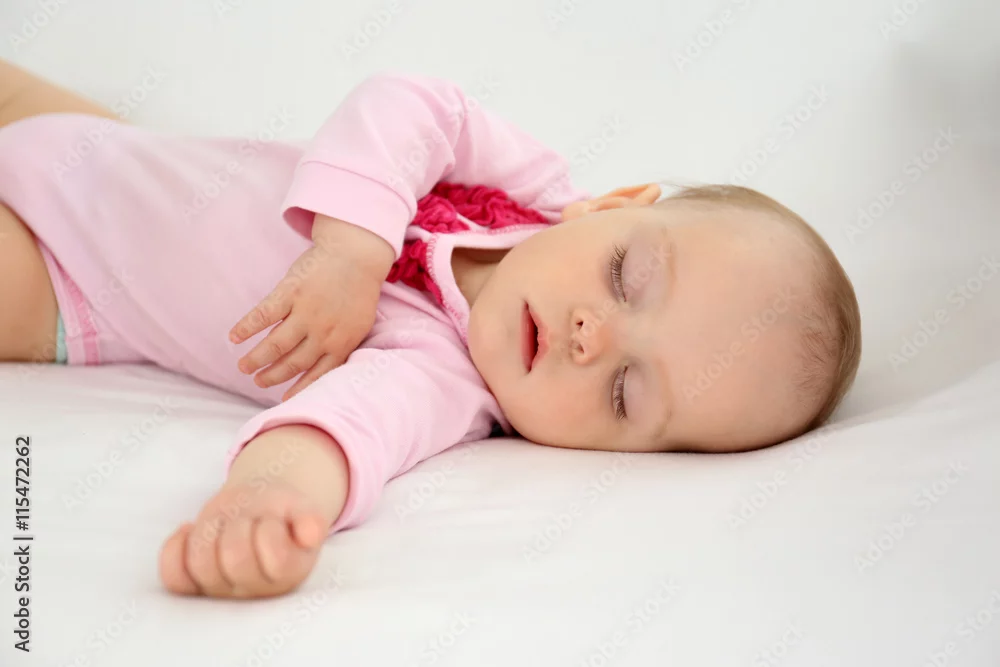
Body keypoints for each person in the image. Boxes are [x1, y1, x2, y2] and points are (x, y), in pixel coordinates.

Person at [0, 60, 861, 599]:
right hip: (109, 151)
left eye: (626, 391)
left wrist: (270, 498)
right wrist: (352, 250)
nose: (592, 336)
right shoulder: (532, 190)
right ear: (613, 205)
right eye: (626, 277)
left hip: (64, 282)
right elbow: (415, 102)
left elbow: (342, 431)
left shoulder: (441, 375)